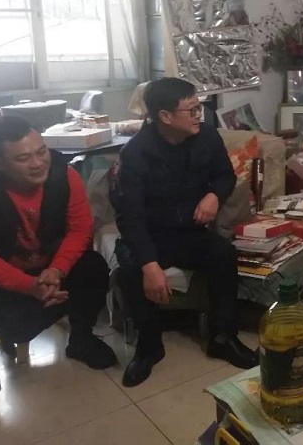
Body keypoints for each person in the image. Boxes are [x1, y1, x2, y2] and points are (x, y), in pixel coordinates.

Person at [0, 116, 116, 422]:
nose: (38, 163)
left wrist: (57, 270)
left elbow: (80, 230)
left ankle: (81, 338)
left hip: (51, 269)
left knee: (92, 266)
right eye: (23, 158)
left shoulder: (65, 176)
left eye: (41, 152)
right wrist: (28, 286)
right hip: (6, 277)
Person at [110, 77, 257, 388]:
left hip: (188, 231)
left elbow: (225, 176)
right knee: (131, 271)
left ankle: (222, 337)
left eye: (198, 107)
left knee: (223, 254)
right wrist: (150, 266)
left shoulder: (206, 136)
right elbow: (130, 217)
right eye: (191, 110)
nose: (198, 115)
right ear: (165, 116)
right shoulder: (136, 154)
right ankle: (149, 347)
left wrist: (214, 195)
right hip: (148, 235)